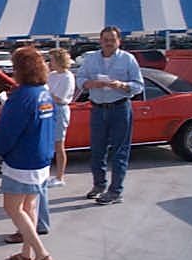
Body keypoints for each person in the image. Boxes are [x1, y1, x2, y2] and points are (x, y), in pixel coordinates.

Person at [0, 46, 56, 260]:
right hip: (42, 158)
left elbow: (7, 132)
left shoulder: (21, 98)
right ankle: (27, 253)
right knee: (29, 206)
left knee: (12, 207)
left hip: (22, 161)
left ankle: (41, 254)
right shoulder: (44, 94)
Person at [76, 26, 143, 204]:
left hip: (119, 108)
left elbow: (139, 85)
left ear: (119, 41)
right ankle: (99, 185)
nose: (108, 43)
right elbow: (79, 79)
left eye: (112, 39)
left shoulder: (128, 59)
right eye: (105, 39)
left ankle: (115, 192)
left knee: (120, 151)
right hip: (98, 109)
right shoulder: (91, 58)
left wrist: (122, 85)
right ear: (100, 41)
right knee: (97, 150)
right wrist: (90, 84)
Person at [47, 48, 75, 187]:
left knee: (58, 145)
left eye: (52, 60)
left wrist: (45, 93)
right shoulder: (52, 75)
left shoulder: (67, 77)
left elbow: (59, 97)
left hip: (59, 109)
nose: (50, 62)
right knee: (46, 143)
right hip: (48, 108)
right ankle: (45, 174)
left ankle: (59, 177)